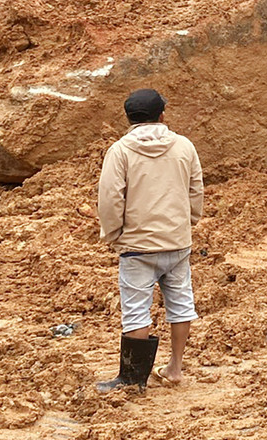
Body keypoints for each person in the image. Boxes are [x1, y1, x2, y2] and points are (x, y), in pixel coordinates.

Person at [97, 88, 204, 393]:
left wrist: (114, 234)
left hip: (137, 247)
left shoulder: (120, 151)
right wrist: (188, 222)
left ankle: (133, 379)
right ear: (162, 115)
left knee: (136, 309)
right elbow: (196, 189)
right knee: (181, 305)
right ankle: (174, 368)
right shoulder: (184, 146)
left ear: (129, 119)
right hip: (177, 242)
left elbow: (110, 199)